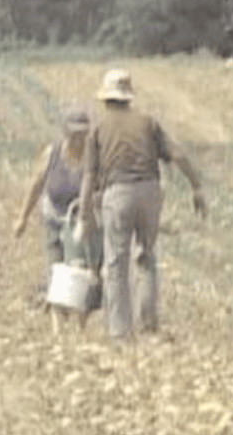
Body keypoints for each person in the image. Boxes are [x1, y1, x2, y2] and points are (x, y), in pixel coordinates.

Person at [74, 69, 207, 342]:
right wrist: (196, 187)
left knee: (116, 262)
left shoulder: (98, 129)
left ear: (106, 99)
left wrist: (84, 216)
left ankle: (120, 331)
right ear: (128, 97)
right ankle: (148, 324)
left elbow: (89, 177)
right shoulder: (148, 123)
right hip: (150, 191)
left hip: (118, 193)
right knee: (146, 255)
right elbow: (177, 154)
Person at [14, 107, 103, 334]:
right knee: (55, 271)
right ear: (65, 132)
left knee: (84, 272)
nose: (78, 139)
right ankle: (58, 330)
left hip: (83, 221)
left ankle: (81, 326)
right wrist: (22, 218)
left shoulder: (95, 158)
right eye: (74, 134)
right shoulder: (51, 154)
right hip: (55, 217)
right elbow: (36, 185)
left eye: (83, 134)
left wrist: (94, 204)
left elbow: (106, 188)